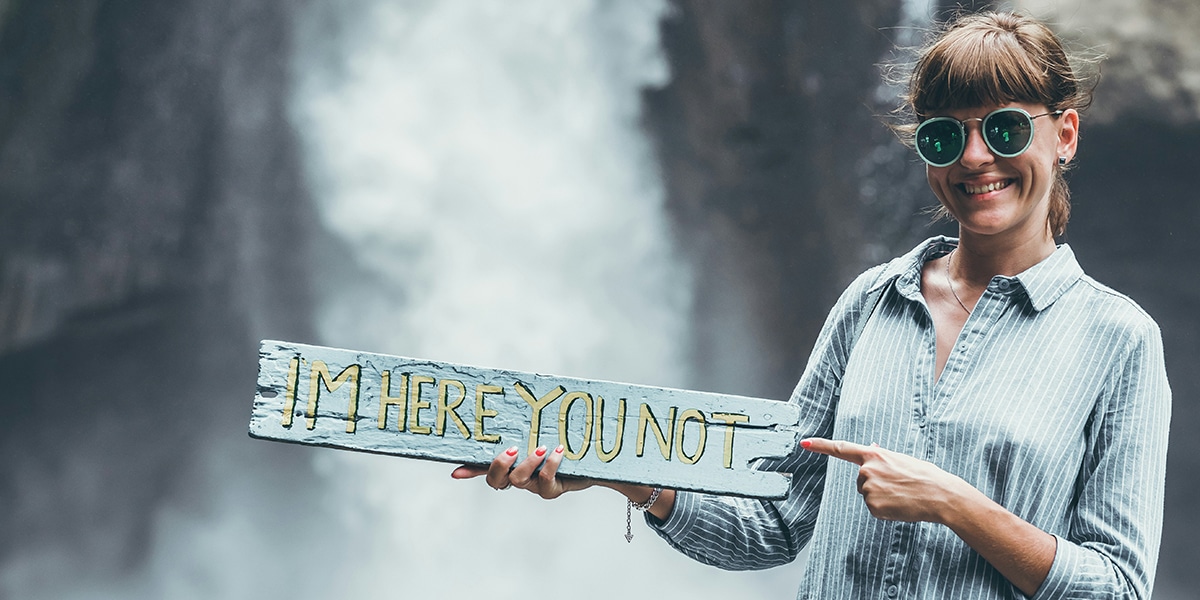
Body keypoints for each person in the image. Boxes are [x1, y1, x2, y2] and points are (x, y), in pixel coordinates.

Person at [452, 11, 1170, 599]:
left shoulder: (1119, 341)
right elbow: (774, 525)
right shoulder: (871, 303)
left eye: (1005, 128)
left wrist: (954, 502)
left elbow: (1117, 587)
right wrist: (620, 472)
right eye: (945, 135)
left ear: (1064, 133)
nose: (975, 158)